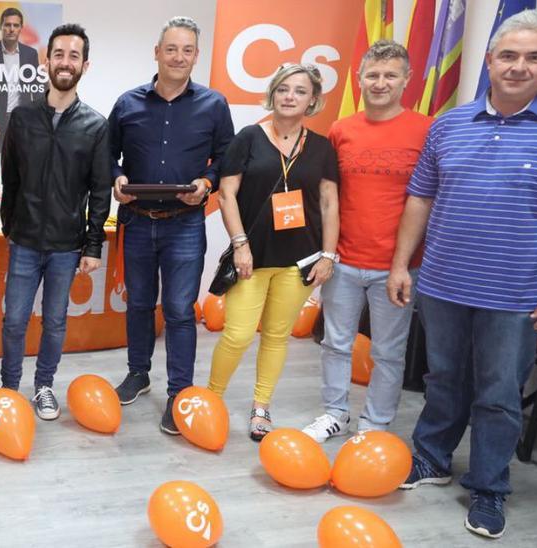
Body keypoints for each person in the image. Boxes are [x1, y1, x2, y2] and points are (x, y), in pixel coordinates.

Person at [388, 10, 537, 539]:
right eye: (508, 55)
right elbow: (421, 197)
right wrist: (402, 264)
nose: (518, 66)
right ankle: (432, 459)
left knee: (497, 393)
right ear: (489, 60)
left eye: (534, 57)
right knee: (442, 379)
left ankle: (488, 486)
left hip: (517, 295)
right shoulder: (448, 124)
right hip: (442, 283)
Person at [300, 40, 432, 443]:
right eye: (372, 75)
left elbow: (428, 198)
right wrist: (326, 252)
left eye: (390, 75)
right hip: (342, 261)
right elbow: (329, 196)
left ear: (407, 80)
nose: (380, 83)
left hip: (398, 267)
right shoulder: (342, 130)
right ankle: (335, 413)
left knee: (388, 353)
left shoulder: (427, 129)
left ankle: (376, 424)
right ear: (359, 80)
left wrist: (402, 264)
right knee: (335, 344)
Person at [107, 16, 234, 435]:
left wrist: (206, 183)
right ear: (157, 52)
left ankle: (179, 391)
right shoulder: (127, 103)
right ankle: (138, 374)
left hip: (185, 224)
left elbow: (226, 158)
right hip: (139, 221)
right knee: (139, 303)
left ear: (196, 56)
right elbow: (107, 157)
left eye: (187, 50)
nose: (179, 57)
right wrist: (117, 179)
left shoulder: (214, 105)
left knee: (180, 311)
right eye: (171, 49)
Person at [208, 63, 340, 442]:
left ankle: (261, 406)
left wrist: (329, 255)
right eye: (283, 89)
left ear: (312, 100)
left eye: (299, 91)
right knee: (236, 335)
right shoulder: (248, 137)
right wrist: (239, 244)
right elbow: (227, 193)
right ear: (272, 93)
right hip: (252, 256)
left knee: (277, 336)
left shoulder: (321, 147)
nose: (289, 96)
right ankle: (212, 399)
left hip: (300, 260)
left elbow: (329, 203)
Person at [0, 23, 111, 420]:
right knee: (14, 321)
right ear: (47, 60)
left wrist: (93, 245)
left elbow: (101, 190)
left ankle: (43, 386)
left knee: (55, 322)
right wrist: (11, 225)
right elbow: (9, 176)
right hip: (25, 241)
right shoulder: (22, 118)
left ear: (85, 64)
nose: (65, 62)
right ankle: (9, 389)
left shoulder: (96, 126)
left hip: (67, 245)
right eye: (59, 54)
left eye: (74, 55)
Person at [0, 7, 44, 148]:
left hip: (23, 118)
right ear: (1, 27)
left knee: (23, 157)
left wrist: (38, 117)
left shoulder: (30, 54)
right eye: (7, 25)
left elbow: (36, 88)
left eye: (15, 25)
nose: (11, 29)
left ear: (21, 28)